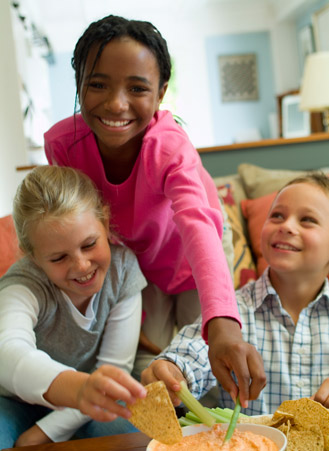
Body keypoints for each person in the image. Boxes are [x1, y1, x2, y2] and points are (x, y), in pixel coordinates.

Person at [43, 14, 265, 407]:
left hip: (198, 249)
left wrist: (224, 325)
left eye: (137, 88)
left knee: (205, 351)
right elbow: (71, 222)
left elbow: (199, 224)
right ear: (79, 82)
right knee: (152, 360)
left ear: (161, 93)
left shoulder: (169, 147)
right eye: (97, 85)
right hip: (140, 260)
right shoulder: (63, 145)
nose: (116, 103)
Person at [142, 173, 329, 414]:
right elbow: (195, 352)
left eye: (307, 220)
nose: (286, 226)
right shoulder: (232, 312)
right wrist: (171, 370)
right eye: (277, 216)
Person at [0, 166, 148, 450]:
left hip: (88, 403)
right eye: (58, 258)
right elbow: (8, 351)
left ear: (104, 222)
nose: (81, 266)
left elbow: (114, 369)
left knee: (131, 437)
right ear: (33, 256)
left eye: (89, 244)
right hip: (13, 401)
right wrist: (78, 389)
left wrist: (45, 433)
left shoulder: (123, 271)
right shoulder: (23, 284)